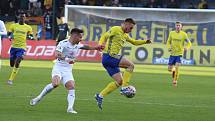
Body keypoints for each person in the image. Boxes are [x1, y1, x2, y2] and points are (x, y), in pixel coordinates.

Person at [30, 28, 104, 114]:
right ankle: (38, 98)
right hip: (59, 67)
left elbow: (85, 47)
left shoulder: (78, 44)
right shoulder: (63, 43)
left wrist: (96, 47)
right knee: (55, 84)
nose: (81, 39)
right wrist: (67, 59)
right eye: (80, 37)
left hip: (68, 70)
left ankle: (70, 108)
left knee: (71, 86)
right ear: (74, 36)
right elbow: (57, 54)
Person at [95, 18, 151, 110]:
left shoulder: (125, 35)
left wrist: (145, 41)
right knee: (131, 65)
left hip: (108, 61)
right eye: (131, 28)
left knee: (119, 81)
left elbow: (134, 42)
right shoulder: (116, 29)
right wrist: (100, 44)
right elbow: (105, 36)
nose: (131, 30)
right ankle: (125, 87)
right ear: (126, 24)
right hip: (110, 56)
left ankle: (100, 96)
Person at [7, 13, 34, 85]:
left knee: (18, 60)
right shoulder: (13, 25)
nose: (22, 18)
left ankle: (10, 79)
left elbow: (31, 36)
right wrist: (9, 36)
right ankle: (14, 68)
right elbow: (9, 33)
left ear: (25, 18)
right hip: (13, 47)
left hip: (22, 47)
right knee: (12, 64)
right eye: (21, 17)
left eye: (23, 17)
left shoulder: (28, 27)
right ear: (19, 18)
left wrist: (31, 37)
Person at [167, 21, 192, 86]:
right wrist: (169, 47)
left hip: (179, 53)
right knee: (169, 69)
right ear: (175, 26)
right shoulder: (171, 33)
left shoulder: (184, 34)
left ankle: (175, 80)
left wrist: (187, 48)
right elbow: (168, 42)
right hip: (172, 54)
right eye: (177, 25)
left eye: (179, 25)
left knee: (177, 66)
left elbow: (189, 43)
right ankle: (173, 71)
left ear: (181, 27)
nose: (178, 27)